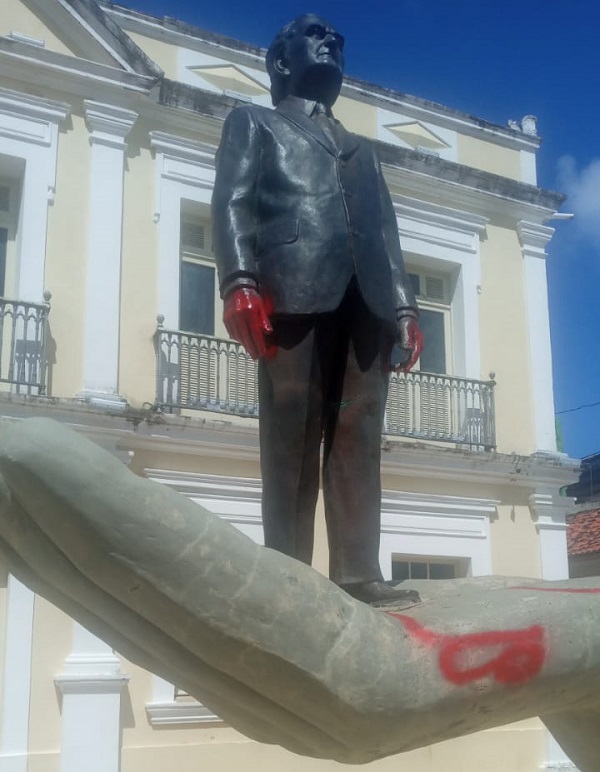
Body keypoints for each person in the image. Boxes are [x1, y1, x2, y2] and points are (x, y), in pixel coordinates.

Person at [211, 14, 423, 605]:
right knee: (291, 435)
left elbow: (386, 234)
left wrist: (404, 306)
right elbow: (231, 201)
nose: (330, 41)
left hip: (369, 303)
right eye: (314, 33)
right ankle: (287, 575)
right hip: (291, 293)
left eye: (337, 38)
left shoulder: (363, 150)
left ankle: (357, 572)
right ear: (280, 60)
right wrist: (239, 281)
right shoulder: (254, 123)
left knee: (360, 434)